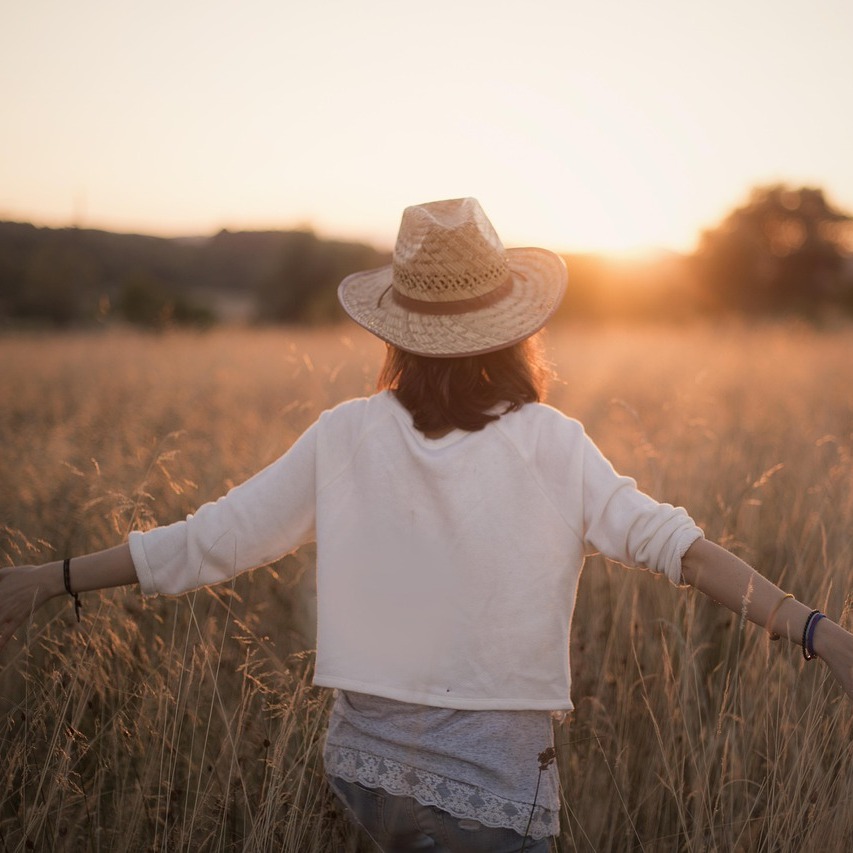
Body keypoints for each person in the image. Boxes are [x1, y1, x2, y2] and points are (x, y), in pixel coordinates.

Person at [1, 197, 851, 853]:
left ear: (399, 330)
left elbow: (210, 539)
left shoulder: (343, 432)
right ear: (513, 327)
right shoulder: (551, 443)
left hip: (363, 776)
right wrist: (820, 632)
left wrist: (48, 577)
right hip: (491, 792)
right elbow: (684, 553)